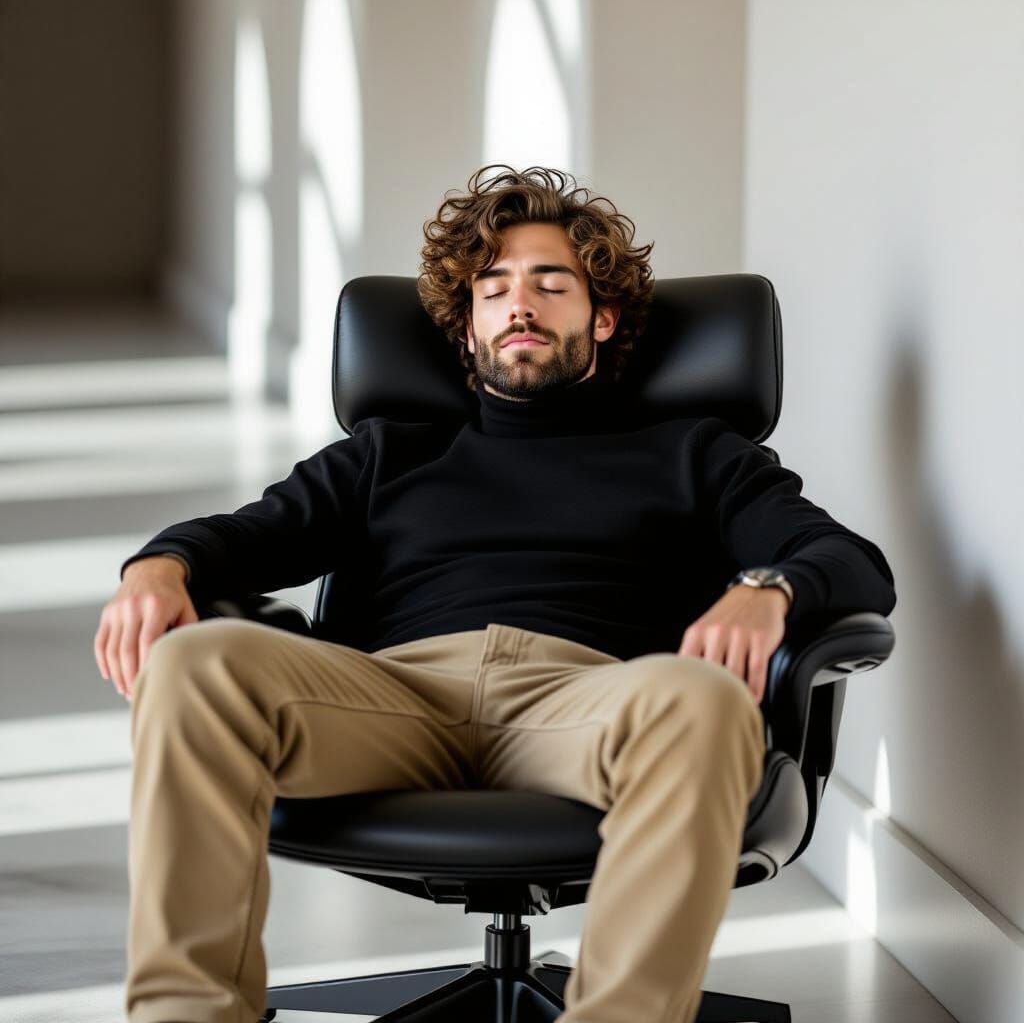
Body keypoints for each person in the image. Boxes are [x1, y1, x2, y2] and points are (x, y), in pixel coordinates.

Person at [94, 165, 897, 1023]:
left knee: (703, 699)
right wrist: (158, 565)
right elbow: (245, 536)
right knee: (196, 664)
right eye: (494, 288)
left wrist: (769, 588)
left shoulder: (694, 452)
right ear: (466, 329)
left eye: (552, 284)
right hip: (393, 697)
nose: (521, 304)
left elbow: (851, 564)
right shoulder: (387, 452)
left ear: (604, 316)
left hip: (590, 699)